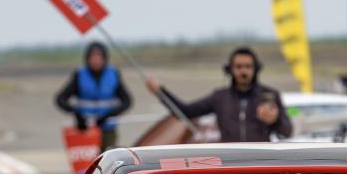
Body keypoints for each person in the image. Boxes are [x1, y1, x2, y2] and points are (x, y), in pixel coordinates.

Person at [146, 47, 292, 142]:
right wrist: (160, 92)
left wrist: (275, 120)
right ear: (230, 70)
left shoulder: (269, 96)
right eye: (239, 67)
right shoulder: (220, 97)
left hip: (261, 165)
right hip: (230, 165)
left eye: (248, 67)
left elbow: (287, 132)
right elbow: (185, 112)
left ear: (256, 69)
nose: (243, 71)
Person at [53, 41, 132, 151]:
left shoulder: (113, 74)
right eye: (93, 57)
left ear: (105, 58)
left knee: (107, 158)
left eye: (99, 56)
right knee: (87, 161)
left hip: (107, 129)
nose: (96, 60)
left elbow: (127, 101)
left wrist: (111, 114)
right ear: (87, 58)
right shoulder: (79, 75)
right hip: (85, 129)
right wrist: (76, 114)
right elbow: (60, 99)